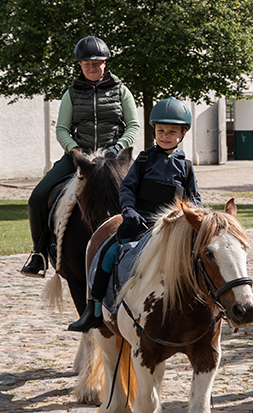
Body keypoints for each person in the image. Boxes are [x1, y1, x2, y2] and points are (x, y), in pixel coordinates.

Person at [67, 97, 202, 331]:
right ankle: (94, 308)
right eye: (160, 131)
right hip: (140, 221)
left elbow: (195, 198)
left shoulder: (186, 167)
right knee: (107, 252)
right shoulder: (143, 160)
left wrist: (193, 216)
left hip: (172, 227)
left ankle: (209, 306)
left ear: (183, 134)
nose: (165, 136)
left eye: (171, 131)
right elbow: (127, 188)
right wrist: (128, 210)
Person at [21, 36, 140, 276]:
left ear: (105, 63)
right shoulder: (71, 94)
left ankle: (152, 248)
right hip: (80, 157)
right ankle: (39, 254)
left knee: (147, 192)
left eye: (97, 63)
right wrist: (74, 150)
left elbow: (133, 125)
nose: (92, 68)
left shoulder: (121, 91)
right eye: (87, 64)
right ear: (80, 65)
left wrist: (120, 145)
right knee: (38, 196)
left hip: (114, 158)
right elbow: (62, 129)